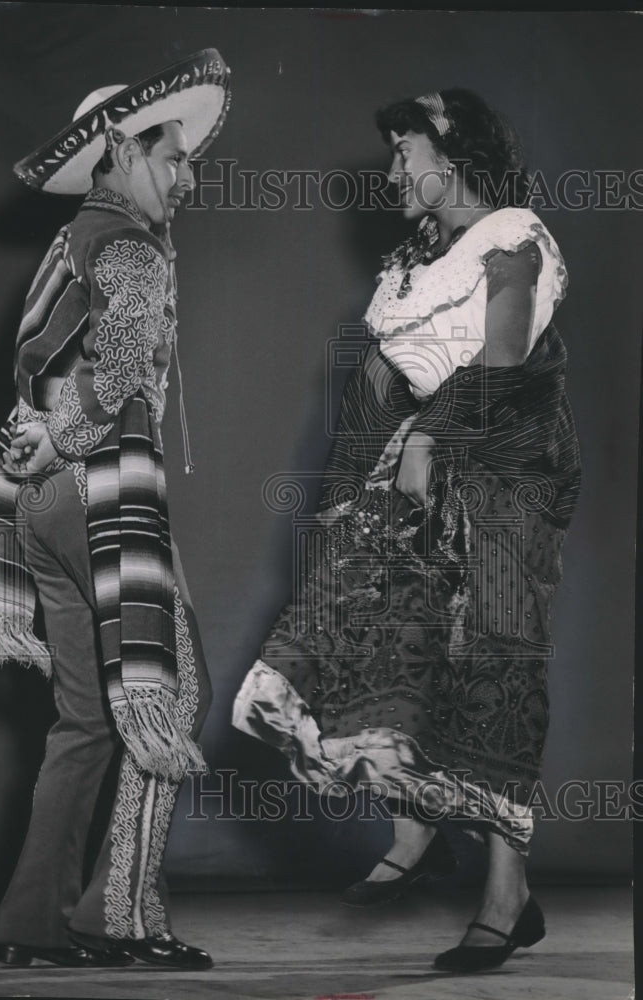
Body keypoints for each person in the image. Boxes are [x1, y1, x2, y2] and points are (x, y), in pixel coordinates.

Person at [233, 88, 581, 972]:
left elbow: (503, 355)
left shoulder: (512, 235)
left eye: (403, 152)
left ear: (451, 152)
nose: (393, 170)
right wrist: (352, 491)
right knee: (408, 647)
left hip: (505, 466)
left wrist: (426, 436)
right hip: (425, 469)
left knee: (501, 661)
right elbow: (378, 386)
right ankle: (418, 830)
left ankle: (505, 895)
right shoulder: (413, 266)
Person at [0, 49, 231, 969]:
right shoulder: (127, 243)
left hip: (37, 504)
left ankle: (30, 921)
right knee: (170, 696)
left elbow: (47, 364)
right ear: (119, 147)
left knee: (85, 719)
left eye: (190, 159)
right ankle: (120, 915)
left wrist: (42, 439)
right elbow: (117, 365)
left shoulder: (69, 239)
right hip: (93, 488)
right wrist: (69, 434)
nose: (185, 176)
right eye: (170, 156)